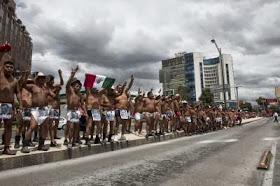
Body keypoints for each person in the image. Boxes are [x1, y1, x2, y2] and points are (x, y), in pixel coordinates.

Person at [21, 72, 60, 153]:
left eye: (43, 78)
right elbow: (23, 85)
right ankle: (25, 145)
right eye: (40, 78)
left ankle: (41, 145)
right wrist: (24, 76)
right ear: (37, 79)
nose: (41, 79)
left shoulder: (47, 89)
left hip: (44, 109)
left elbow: (54, 96)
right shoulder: (33, 86)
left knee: (44, 127)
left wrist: (58, 90)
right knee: (32, 126)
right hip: (35, 109)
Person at [0, 61, 22, 155]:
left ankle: (6, 147)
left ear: (13, 69)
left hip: (9, 105)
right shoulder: (0, 76)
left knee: (8, 127)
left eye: (11, 67)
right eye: (7, 67)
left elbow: (18, 92)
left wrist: (20, 104)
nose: (9, 69)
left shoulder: (15, 81)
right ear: (3, 67)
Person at [65, 66, 86, 147]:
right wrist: (73, 74)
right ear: (73, 86)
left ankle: (74, 141)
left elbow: (82, 104)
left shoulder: (80, 95)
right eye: (77, 86)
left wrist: (85, 112)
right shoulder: (70, 92)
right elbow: (67, 84)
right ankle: (69, 141)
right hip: (70, 111)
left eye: (79, 86)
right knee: (71, 127)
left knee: (77, 127)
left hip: (77, 112)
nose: (78, 87)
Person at [46, 69, 64, 147]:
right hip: (51, 107)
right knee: (51, 123)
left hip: (57, 107)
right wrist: (57, 90)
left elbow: (62, 83)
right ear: (49, 81)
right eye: (52, 81)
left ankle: (55, 135)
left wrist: (60, 75)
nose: (53, 82)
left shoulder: (54, 86)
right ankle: (51, 137)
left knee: (57, 122)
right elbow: (53, 95)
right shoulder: (47, 88)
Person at [114, 75, 134, 141]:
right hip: (118, 109)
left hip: (124, 110)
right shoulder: (115, 94)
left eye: (121, 87)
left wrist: (131, 80)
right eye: (119, 87)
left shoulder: (125, 92)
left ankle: (122, 135)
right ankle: (115, 135)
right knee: (117, 122)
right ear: (117, 88)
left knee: (124, 123)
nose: (120, 88)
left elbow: (129, 86)